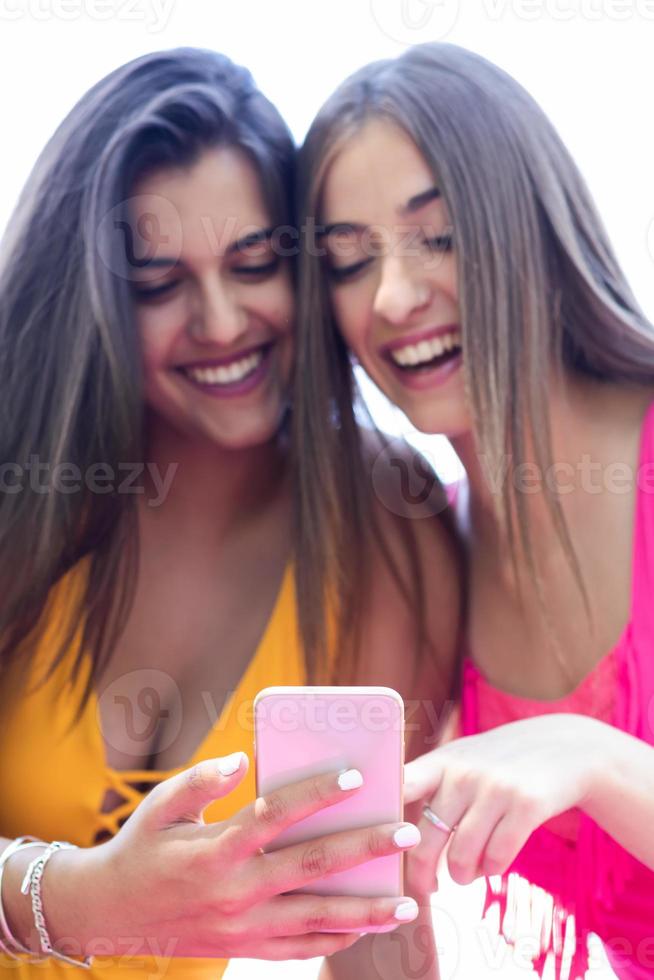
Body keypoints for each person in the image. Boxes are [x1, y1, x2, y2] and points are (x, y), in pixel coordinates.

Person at [0, 48, 461, 978]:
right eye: (160, 285)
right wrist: (76, 902)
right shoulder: (27, 490)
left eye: (254, 264)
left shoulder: (384, 530)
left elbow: (367, 922)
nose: (220, 322)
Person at [297, 41, 654, 980]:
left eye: (440, 236)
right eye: (347, 262)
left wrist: (592, 757)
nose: (395, 297)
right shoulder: (423, 553)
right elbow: (368, 933)